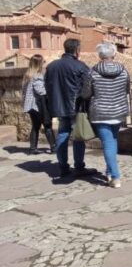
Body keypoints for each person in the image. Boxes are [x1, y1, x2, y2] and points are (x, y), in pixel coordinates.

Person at [80, 43, 130, 188]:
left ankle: (115, 176)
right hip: (118, 111)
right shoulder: (124, 71)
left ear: (100, 56)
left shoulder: (92, 72)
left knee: (108, 142)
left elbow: (86, 94)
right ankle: (109, 171)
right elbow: (127, 90)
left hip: (100, 112)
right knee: (112, 141)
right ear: (114, 54)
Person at [45, 38, 95, 178]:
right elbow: (87, 88)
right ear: (77, 50)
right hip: (76, 106)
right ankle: (79, 167)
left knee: (62, 134)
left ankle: (63, 167)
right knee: (78, 136)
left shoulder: (52, 66)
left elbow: (47, 86)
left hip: (59, 106)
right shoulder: (80, 66)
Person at [21, 54, 55, 154]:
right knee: (47, 125)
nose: (44, 64)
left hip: (30, 106)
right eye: (43, 62)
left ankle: (32, 149)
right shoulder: (38, 76)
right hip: (39, 105)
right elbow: (41, 91)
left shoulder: (27, 75)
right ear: (39, 64)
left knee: (35, 126)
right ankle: (54, 147)